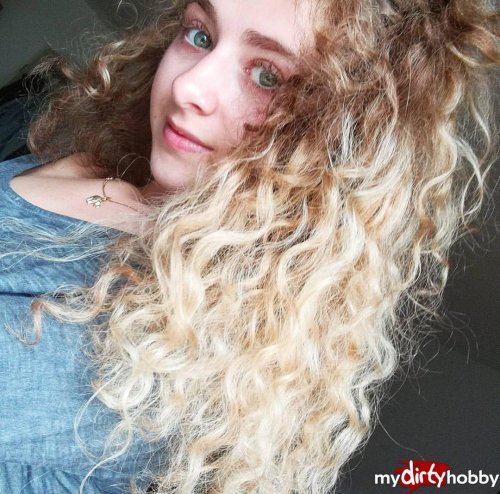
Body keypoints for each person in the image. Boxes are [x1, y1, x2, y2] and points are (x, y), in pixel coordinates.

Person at [0, 0, 498, 492]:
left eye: (267, 76)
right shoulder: (106, 160)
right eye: (200, 34)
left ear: (336, 147)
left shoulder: (157, 355)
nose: (187, 86)